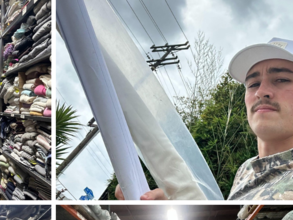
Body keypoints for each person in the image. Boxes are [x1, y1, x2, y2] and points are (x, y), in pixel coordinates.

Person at [115, 37, 293, 200]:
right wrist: (179, 201)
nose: (261, 92)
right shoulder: (245, 170)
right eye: (253, 84)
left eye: (282, 79)